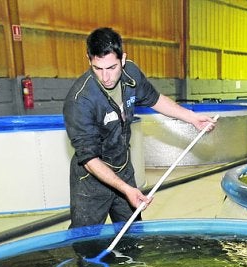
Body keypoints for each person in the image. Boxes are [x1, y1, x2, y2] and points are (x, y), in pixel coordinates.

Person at [63, 27, 216, 228]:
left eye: (111, 68)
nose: (105, 77)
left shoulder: (131, 74)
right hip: (91, 180)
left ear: (123, 59)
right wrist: (126, 189)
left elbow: (154, 99)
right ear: (88, 60)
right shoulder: (79, 100)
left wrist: (191, 118)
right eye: (97, 68)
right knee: (85, 243)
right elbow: (90, 160)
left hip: (123, 167)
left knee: (133, 236)